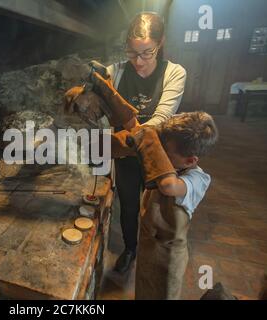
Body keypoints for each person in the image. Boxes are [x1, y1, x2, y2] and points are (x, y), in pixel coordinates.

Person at [106, 12, 187, 273]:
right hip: (126, 156)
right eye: (132, 53)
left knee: (158, 206)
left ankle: (157, 254)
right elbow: (104, 113)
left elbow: (162, 118)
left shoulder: (174, 73)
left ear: (160, 43)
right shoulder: (115, 72)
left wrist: (124, 136)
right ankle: (131, 248)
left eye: (146, 53)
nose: (138, 62)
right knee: (129, 205)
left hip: (158, 152)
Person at [120, 112, 218, 299]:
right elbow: (134, 127)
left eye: (165, 153)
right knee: (143, 292)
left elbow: (168, 186)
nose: (160, 156)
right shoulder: (172, 164)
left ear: (190, 160)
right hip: (149, 249)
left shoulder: (197, 179)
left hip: (168, 258)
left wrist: (151, 146)